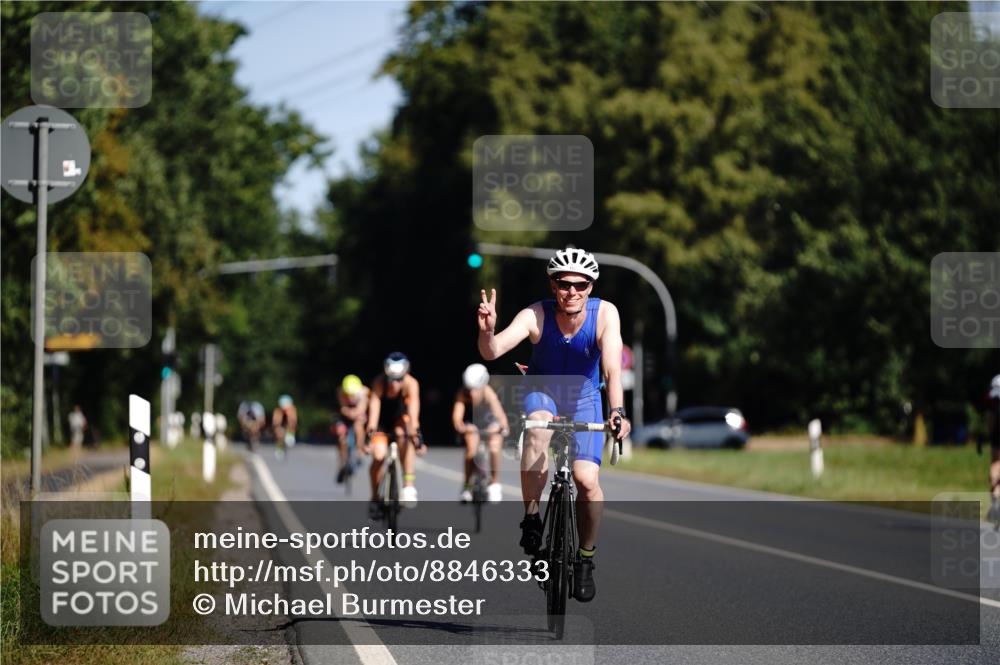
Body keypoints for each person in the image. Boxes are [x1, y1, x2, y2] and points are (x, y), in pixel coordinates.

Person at [477, 247, 630, 603]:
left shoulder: (605, 314)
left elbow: (611, 367)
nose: (572, 291)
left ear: (591, 286)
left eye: (581, 284)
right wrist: (487, 331)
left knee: (587, 481)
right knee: (539, 427)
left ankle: (586, 559)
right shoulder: (536, 314)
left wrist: (618, 410)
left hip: (586, 399)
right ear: (553, 284)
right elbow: (492, 351)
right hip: (542, 392)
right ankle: (532, 517)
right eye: (564, 283)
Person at [365, 352, 424, 514]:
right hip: (382, 423)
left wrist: (416, 436)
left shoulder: (411, 384)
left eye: (399, 380)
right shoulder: (378, 383)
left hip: (400, 419)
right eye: (392, 379)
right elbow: (374, 411)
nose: (395, 384)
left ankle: (408, 484)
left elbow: (413, 413)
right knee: (378, 456)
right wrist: (369, 434)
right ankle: (375, 497)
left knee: (404, 433)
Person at [453, 363, 510, 503]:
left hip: (489, 424)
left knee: (494, 446)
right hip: (472, 426)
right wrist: (460, 426)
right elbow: (457, 415)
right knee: (471, 449)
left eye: (475, 389)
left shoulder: (488, 392)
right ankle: (467, 486)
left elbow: (500, 415)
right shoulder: (462, 393)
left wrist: (502, 427)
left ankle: (494, 483)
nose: (471, 393)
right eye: (469, 389)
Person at [335, 374, 369, 483]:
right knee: (341, 435)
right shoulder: (340, 391)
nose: (350, 397)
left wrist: (356, 413)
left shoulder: (364, 392)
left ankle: (359, 450)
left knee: (358, 425)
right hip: (345, 415)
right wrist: (348, 412)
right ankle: (342, 463)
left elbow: (362, 408)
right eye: (347, 394)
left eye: (352, 395)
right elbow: (343, 408)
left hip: (358, 413)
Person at [987, 375, 1000, 522]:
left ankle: (995, 499)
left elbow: (990, 416)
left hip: (997, 431)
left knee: (996, 462)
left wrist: (990, 434)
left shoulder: (995, 382)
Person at [272, 394, 298, 459]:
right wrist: (278, 429)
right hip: (281, 426)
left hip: (288, 426)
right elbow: (275, 422)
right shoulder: (278, 411)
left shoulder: (292, 410)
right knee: (279, 434)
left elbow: (294, 421)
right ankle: (280, 448)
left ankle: (290, 435)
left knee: (291, 422)